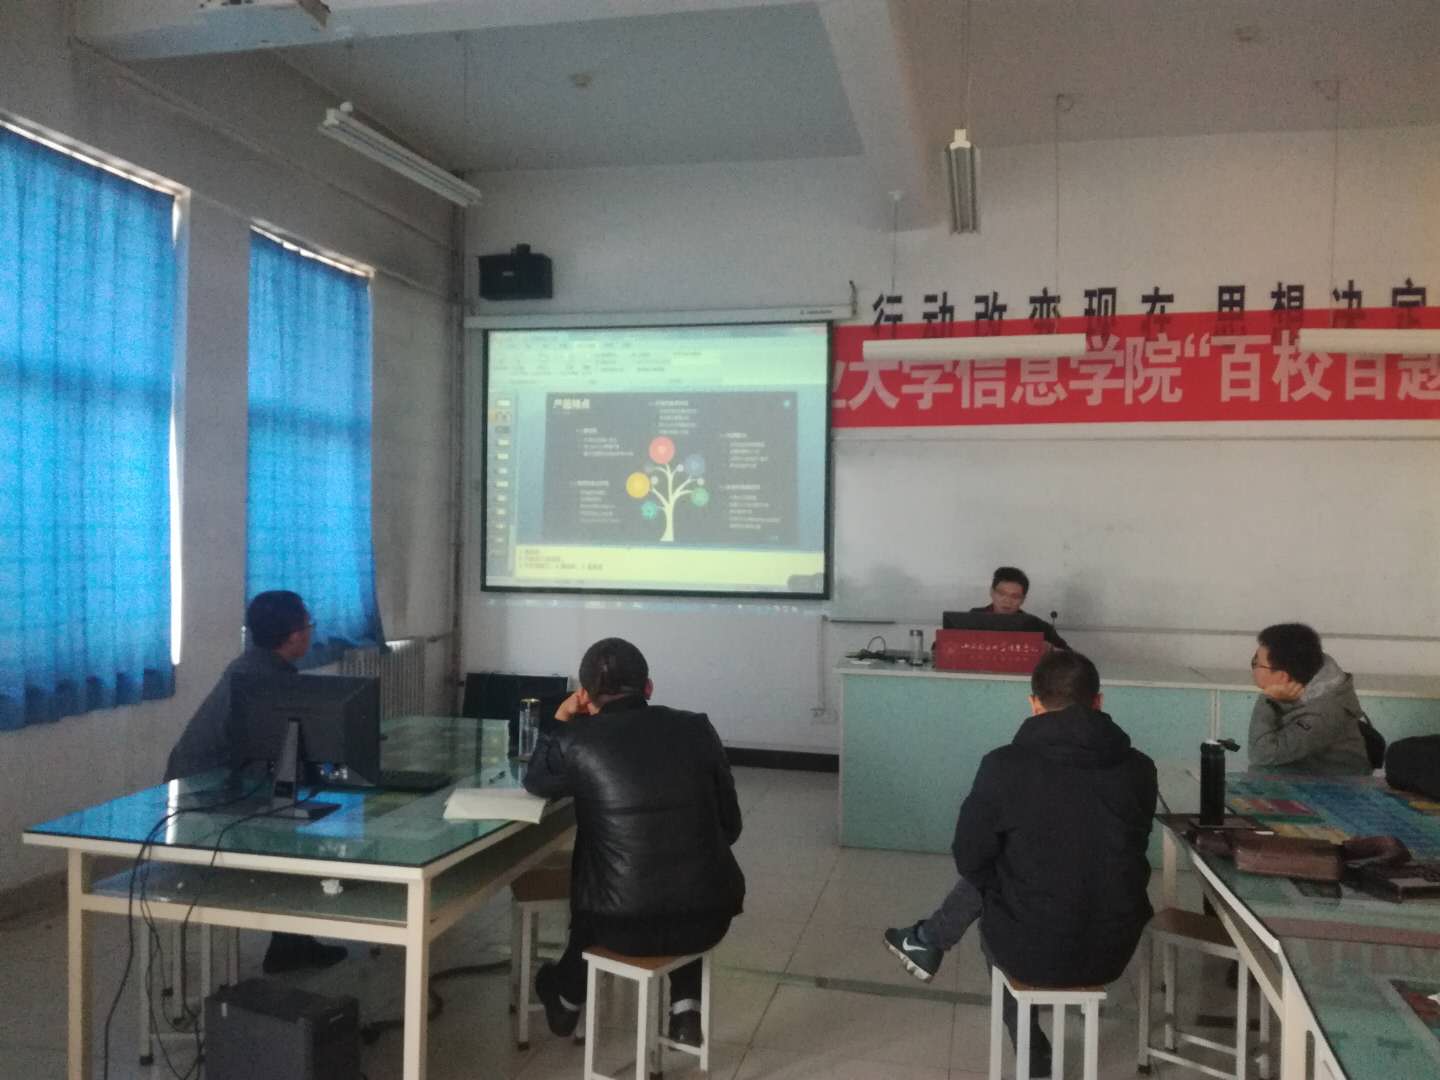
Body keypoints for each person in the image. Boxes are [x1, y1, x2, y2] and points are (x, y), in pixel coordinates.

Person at [884, 651, 1157, 1077]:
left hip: (1030, 949)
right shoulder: (1140, 768)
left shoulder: (1003, 765)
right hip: (1113, 948)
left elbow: (970, 857)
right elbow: (1124, 847)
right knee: (1041, 870)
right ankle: (927, 939)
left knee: (999, 882)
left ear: (1033, 704)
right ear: (1098, 702)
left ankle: (1032, 1052)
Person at [522, 637, 745, 1047]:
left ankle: (566, 998)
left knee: (608, 882)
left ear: (586, 696)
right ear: (649, 688)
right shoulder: (696, 728)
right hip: (710, 915)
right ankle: (685, 1009)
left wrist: (561, 721)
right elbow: (730, 827)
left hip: (617, 924)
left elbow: (536, 781)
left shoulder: (578, 740)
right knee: (675, 867)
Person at [164, 590, 347, 974]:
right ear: (294, 636)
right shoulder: (268, 679)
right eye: (309, 626)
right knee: (297, 832)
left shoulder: (254, 666)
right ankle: (291, 944)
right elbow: (280, 752)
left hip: (212, 783)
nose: (311, 632)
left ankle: (291, 942)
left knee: (295, 818)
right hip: (206, 793)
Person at [1247, 622, 1372, 775]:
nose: (1252, 667)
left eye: (1256, 663)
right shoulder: (1302, 681)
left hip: (1335, 786)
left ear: (1282, 676)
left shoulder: (1322, 712)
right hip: (1298, 778)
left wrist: (1267, 700)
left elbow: (1262, 755)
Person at [971, 566, 1069, 649]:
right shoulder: (973, 618)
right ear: (992, 592)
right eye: (1001, 594)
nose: (1007, 601)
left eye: (1015, 596)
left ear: (1023, 600)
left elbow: (1072, 657)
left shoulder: (1036, 626)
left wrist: (1052, 650)